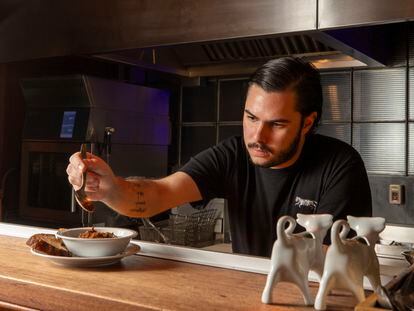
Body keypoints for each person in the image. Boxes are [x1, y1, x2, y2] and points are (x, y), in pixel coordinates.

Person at [67, 57, 372, 257]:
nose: (257, 136)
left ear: (307, 123)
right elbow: (161, 192)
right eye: (251, 118)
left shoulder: (340, 165)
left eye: (276, 124)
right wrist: (110, 188)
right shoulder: (233, 154)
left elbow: (335, 261)